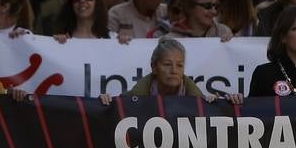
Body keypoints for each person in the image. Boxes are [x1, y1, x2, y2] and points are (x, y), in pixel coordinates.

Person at [101, 36, 243, 104]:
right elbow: (111, 111)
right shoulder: (129, 100)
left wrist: (228, 102)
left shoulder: (202, 102)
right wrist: (105, 102)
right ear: (154, 67)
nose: (174, 70)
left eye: (180, 65)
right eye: (167, 64)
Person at [159, 0, 232, 40]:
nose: (214, 12)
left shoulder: (223, 32)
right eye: (207, 6)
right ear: (189, 7)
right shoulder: (171, 40)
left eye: (216, 6)